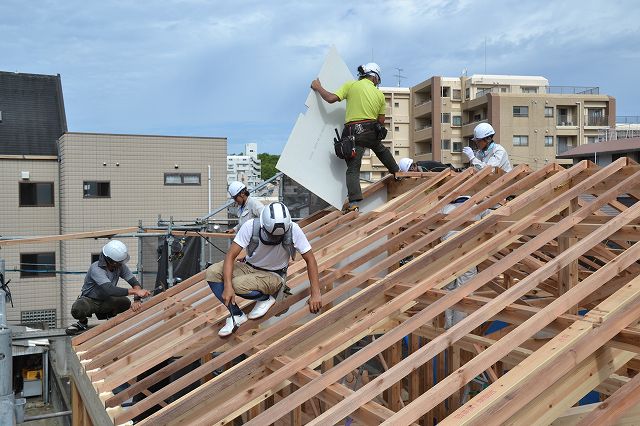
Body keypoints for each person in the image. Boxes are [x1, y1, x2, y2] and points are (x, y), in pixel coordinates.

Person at [205, 202, 323, 336]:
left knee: (237, 285)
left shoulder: (293, 230)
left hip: (274, 276)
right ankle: (237, 315)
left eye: (279, 236)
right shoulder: (251, 226)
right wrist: (227, 286)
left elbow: (311, 260)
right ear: (263, 226)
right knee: (212, 272)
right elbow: (230, 256)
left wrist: (316, 293)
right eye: (272, 235)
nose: (275, 238)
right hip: (249, 267)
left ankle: (269, 297)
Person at [311, 62, 400, 212]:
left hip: (353, 133)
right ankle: (397, 172)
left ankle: (354, 203)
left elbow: (331, 99)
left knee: (353, 168)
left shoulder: (351, 86)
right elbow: (381, 121)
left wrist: (318, 87)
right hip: (371, 131)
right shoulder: (379, 94)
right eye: (378, 80)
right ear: (374, 77)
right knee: (381, 150)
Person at [65, 240, 150, 335]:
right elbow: (110, 289)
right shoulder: (96, 269)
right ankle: (82, 322)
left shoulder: (120, 266)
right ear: (111, 261)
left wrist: (137, 299)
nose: (121, 264)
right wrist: (136, 292)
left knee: (125, 302)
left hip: (106, 299)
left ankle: (109, 316)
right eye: (119, 262)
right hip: (90, 300)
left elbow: (134, 282)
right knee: (78, 309)